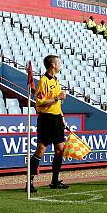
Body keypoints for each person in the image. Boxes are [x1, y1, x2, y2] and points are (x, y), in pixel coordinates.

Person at [27, 55, 69, 193]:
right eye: (59, 62)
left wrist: (62, 117)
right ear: (52, 65)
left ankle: (55, 180)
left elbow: (57, 104)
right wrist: (58, 97)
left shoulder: (56, 81)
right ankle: (30, 182)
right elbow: (40, 102)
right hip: (46, 119)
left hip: (57, 119)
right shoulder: (43, 81)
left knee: (60, 150)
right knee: (41, 150)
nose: (60, 64)